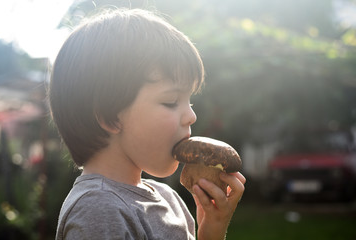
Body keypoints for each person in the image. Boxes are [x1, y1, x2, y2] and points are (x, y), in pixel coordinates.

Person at [49, 8, 246, 240]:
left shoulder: (168, 198)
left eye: (189, 101)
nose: (191, 116)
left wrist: (212, 229)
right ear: (109, 116)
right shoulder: (99, 209)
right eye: (171, 101)